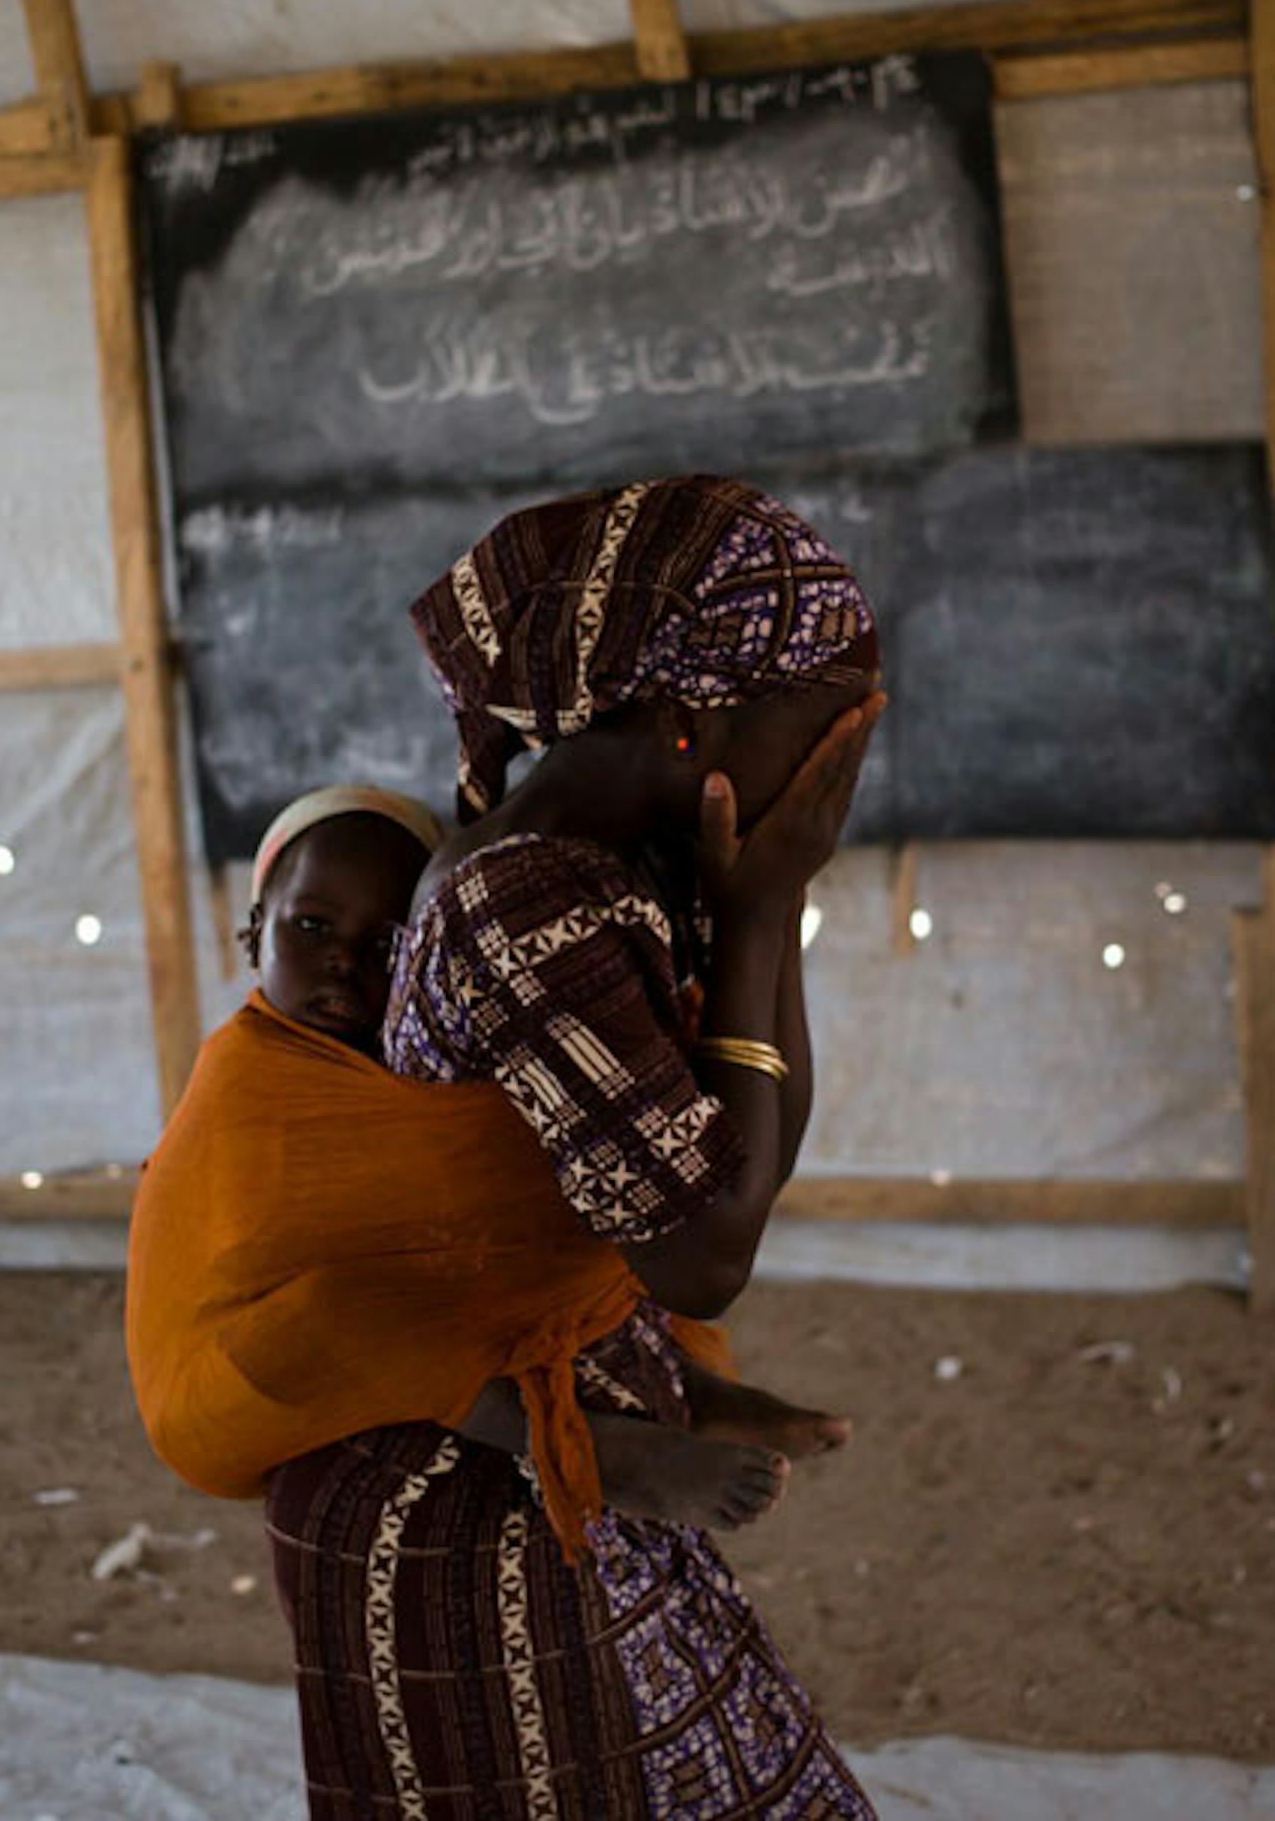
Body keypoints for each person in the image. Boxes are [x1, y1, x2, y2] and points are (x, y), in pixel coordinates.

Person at [265, 474, 886, 1819]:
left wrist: (756, 907)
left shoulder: (614, 875)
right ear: (689, 716)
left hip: (573, 1444)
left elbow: (746, 1164)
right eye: (825, 741)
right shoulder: (522, 900)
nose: (835, 785)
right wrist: (769, 909)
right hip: (468, 1496)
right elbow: (708, 1255)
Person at [145, 781, 815, 1533]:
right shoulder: (244, 1072)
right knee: (348, 1309)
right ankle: (600, 1452)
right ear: (253, 932)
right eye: (311, 926)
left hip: (384, 1301)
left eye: (387, 944)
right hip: (235, 1372)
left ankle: (688, 1384)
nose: (344, 962)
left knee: (585, 1197)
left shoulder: (416, 1061)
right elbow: (259, 1253)